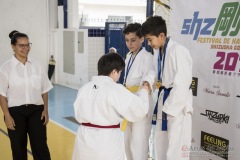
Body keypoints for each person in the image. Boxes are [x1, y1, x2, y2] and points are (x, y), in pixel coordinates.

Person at [72, 53, 151, 160]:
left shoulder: (84, 88)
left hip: (83, 140)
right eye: (119, 72)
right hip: (106, 143)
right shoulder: (115, 89)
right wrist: (144, 91)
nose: (119, 76)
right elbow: (138, 110)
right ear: (114, 71)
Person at [141, 15, 193, 160]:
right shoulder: (158, 51)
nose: (149, 44)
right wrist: (147, 82)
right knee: (160, 144)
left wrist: (170, 108)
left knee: (176, 149)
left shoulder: (178, 51)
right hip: (164, 100)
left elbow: (182, 83)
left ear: (161, 35)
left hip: (178, 105)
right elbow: (154, 71)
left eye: (150, 40)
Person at [0, 30, 52, 160]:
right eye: (21, 45)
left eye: (28, 45)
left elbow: (44, 89)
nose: (26, 48)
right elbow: (2, 94)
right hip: (15, 112)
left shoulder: (37, 65)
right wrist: (7, 115)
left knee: (40, 146)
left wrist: (45, 109)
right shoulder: (5, 68)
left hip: (36, 111)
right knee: (18, 148)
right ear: (13, 47)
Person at [122, 22, 155, 160]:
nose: (129, 44)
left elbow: (148, 81)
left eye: (133, 40)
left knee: (139, 143)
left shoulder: (148, 57)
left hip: (141, 104)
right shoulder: (129, 56)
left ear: (142, 39)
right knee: (127, 142)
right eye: (127, 40)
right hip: (128, 103)